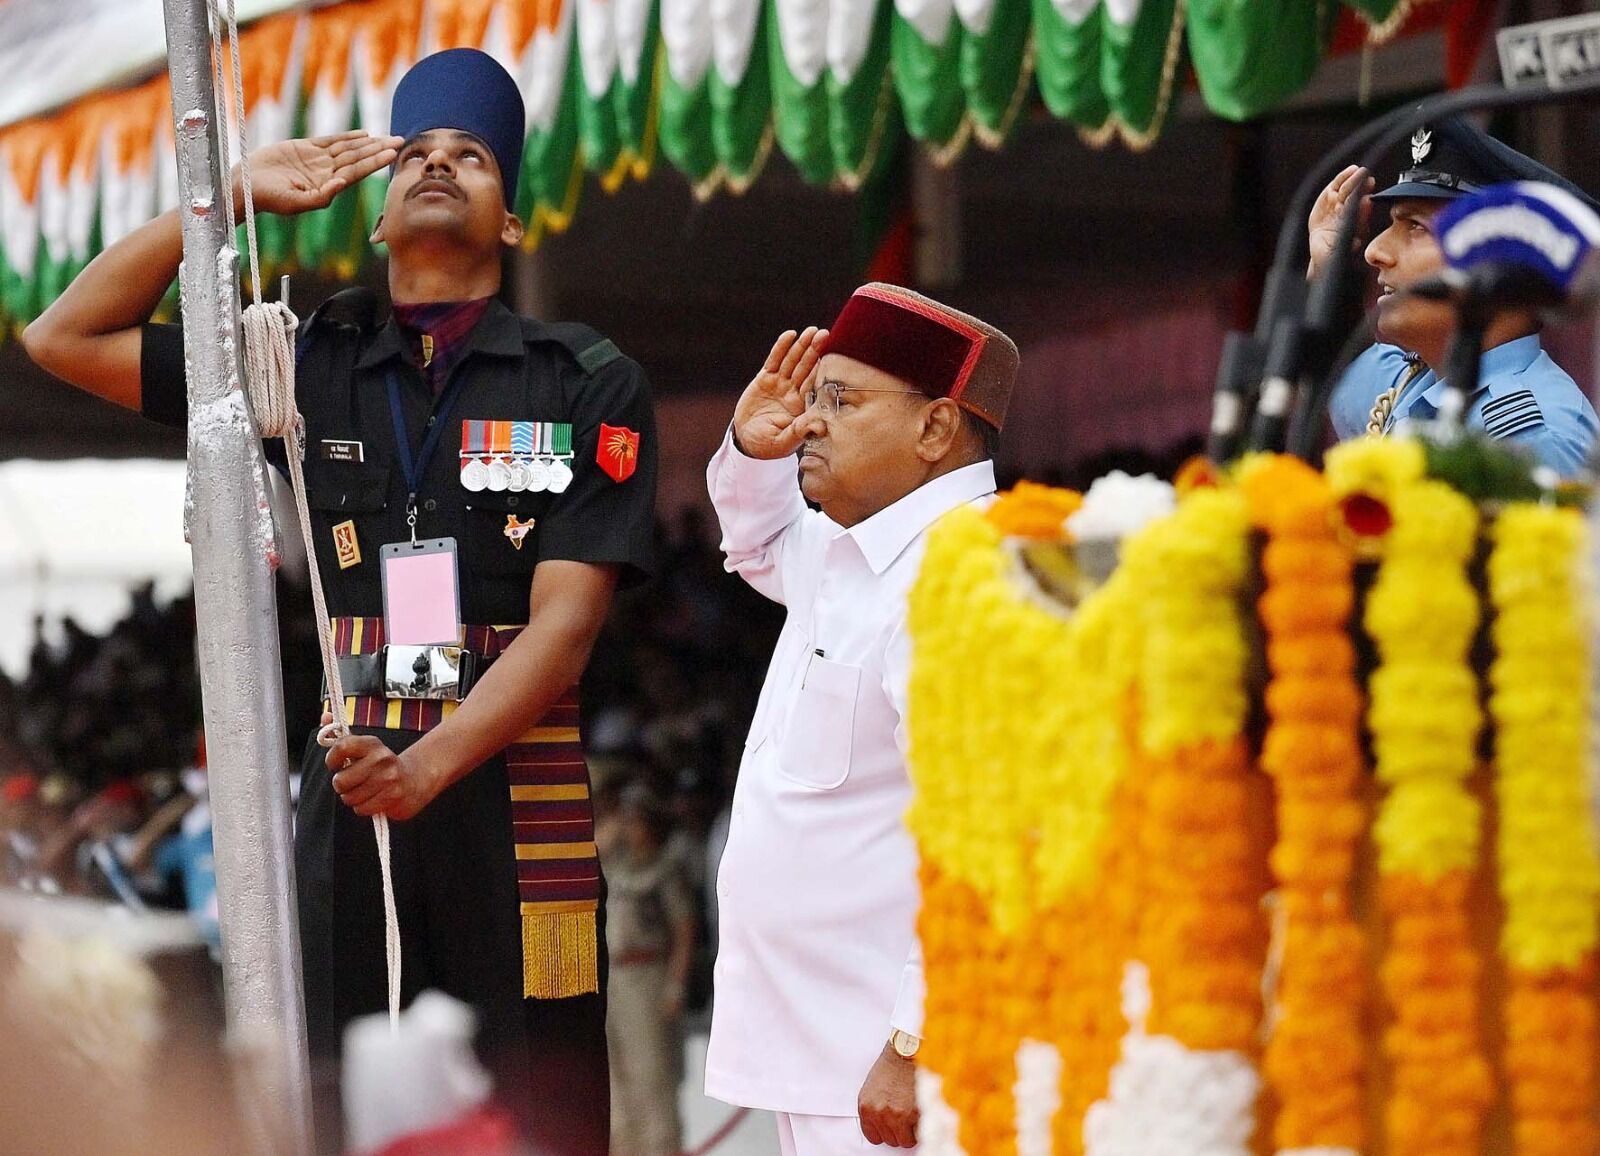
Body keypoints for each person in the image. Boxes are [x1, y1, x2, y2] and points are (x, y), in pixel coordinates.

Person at [21, 47, 658, 1155]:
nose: (438, 166)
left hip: (516, 793)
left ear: (512, 220)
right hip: (358, 773)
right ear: (375, 216)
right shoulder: (302, 359)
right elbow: (62, 337)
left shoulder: (582, 379)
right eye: (414, 154)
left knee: (537, 1105)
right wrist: (226, 199)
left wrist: (429, 767)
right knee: (337, 1096)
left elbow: (563, 630)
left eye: (471, 157)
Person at [704, 284, 1018, 1154]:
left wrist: (918, 1040)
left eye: (840, 401)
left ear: (935, 428)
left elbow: (982, 831)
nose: (811, 422)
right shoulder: (851, 547)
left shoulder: (965, 572)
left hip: (895, 1060)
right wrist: (752, 448)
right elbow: (754, 541)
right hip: (823, 1048)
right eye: (813, 399)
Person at [1312, 117, 1600, 474]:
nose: (1374, 251)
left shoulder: (1533, 440)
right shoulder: (1419, 386)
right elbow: (1343, 367)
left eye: (1416, 227)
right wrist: (1328, 268)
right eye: (1392, 224)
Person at [599, 781, 695, 1156]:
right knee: (614, 1073)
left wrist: (675, 985)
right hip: (614, 976)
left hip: (646, 973)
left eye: (634, 820)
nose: (628, 827)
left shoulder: (665, 869)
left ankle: (660, 1147)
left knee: (650, 1072)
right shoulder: (617, 865)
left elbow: (683, 929)